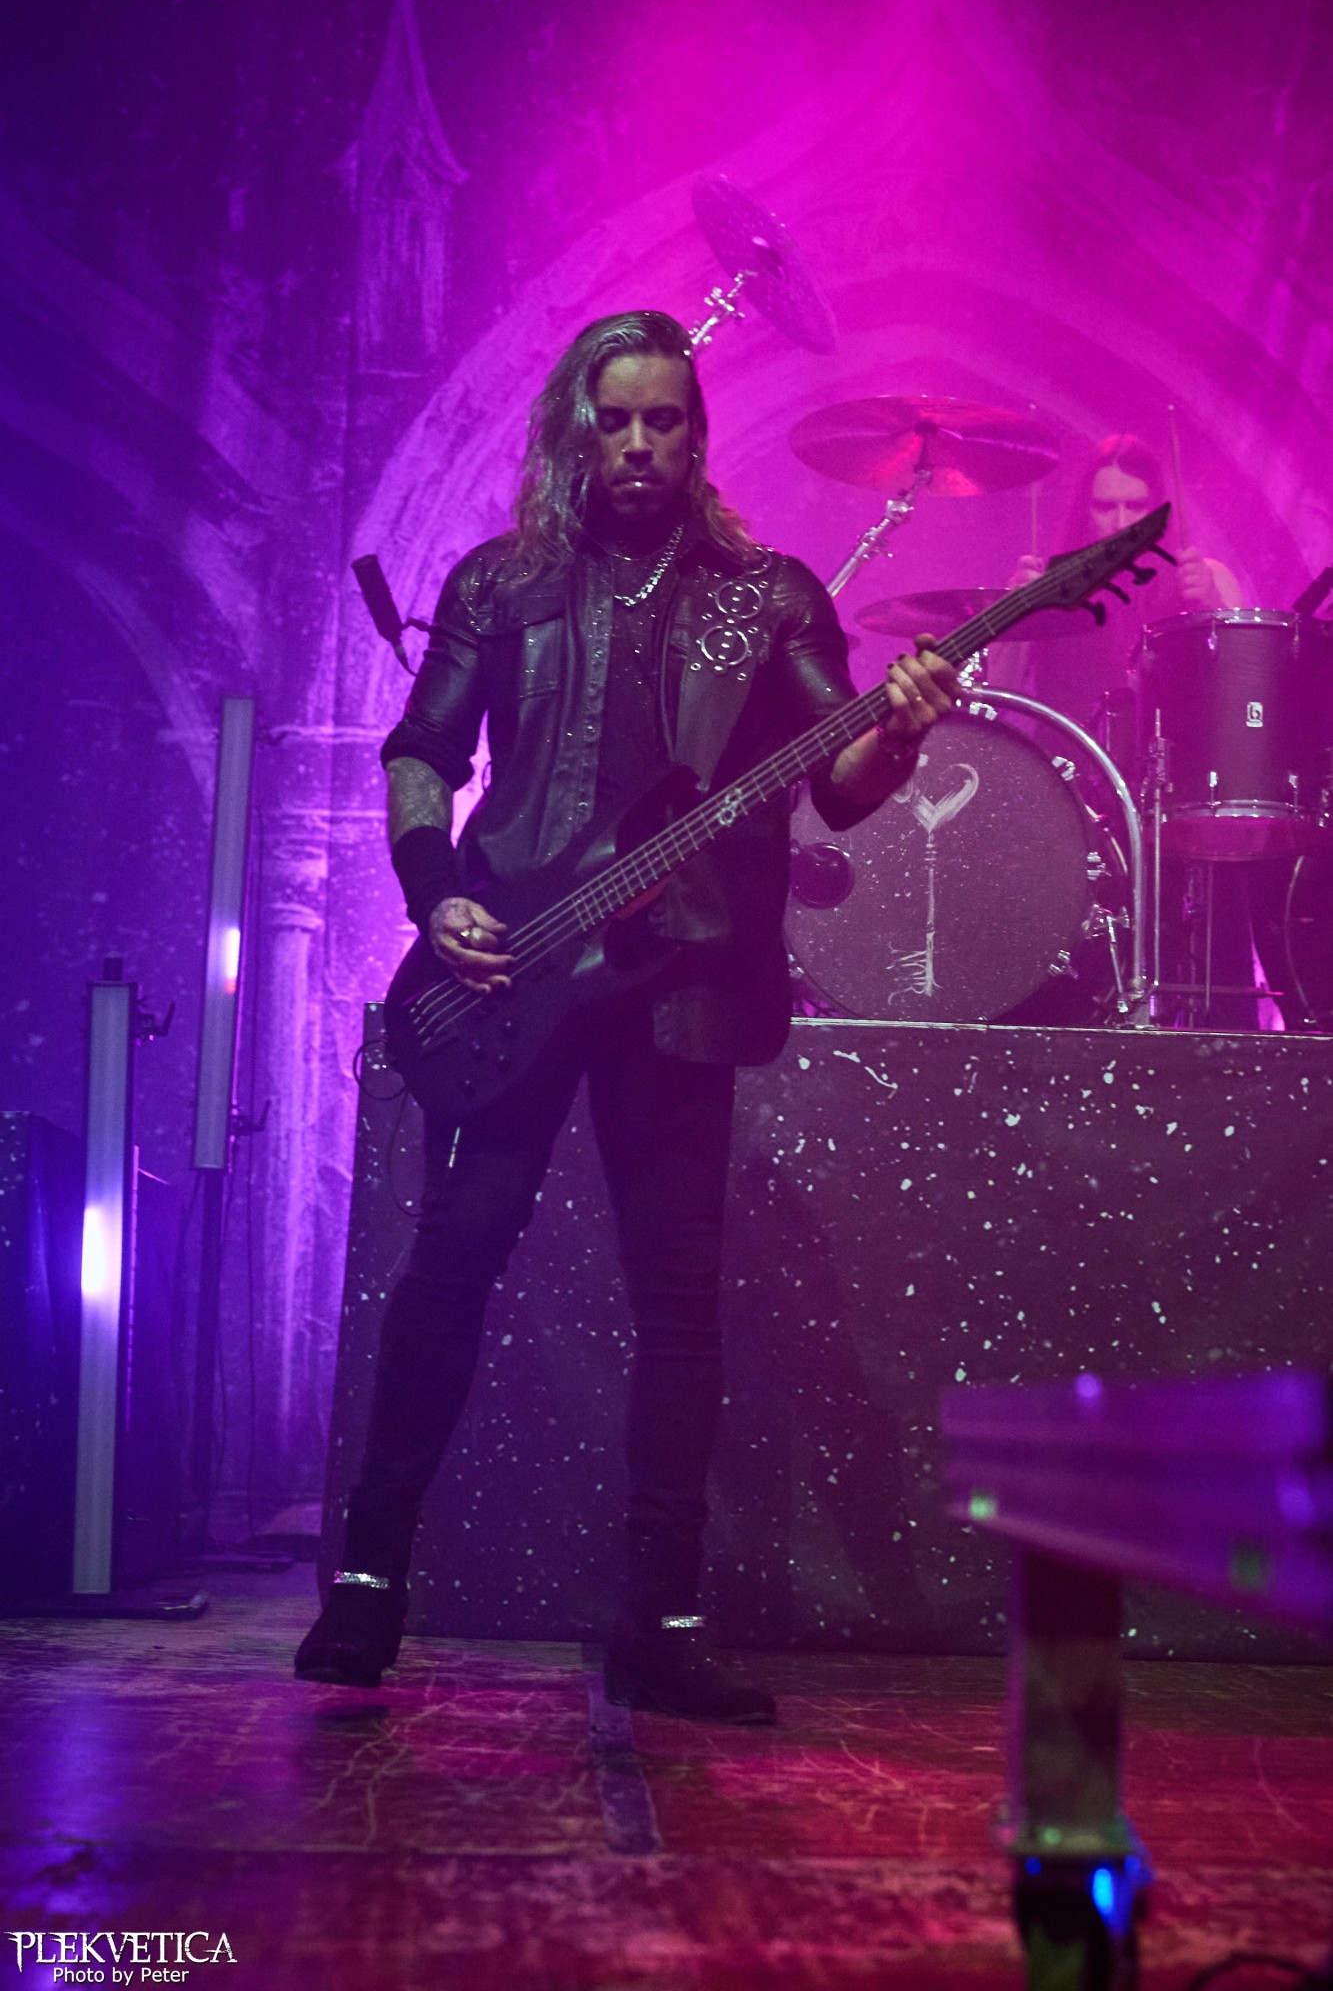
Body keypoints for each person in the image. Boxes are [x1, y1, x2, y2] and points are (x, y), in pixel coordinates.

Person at [295, 310, 961, 1722]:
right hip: (513, 969)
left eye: (666, 420)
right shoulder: (500, 584)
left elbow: (840, 784)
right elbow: (421, 752)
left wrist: (899, 731)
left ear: (697, 436)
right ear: (574, 432)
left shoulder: (768, 596)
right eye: (617, 420)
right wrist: (433, 892)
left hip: (686, 985)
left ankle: (659, 1624)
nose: (641, 444)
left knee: (678, 1308)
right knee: (450, 1265)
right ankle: (365, 1584)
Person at [992, 434, 1242, 733]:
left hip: (1174, 756)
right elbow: (996, 693)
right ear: (1084, 512)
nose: (1122, 524)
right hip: (1066, 757)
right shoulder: (1046, 585)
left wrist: (1211, 602)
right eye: (1106, 508)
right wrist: (1015, 612)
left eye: (1135, 506)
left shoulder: (1204, 578)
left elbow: (1247, 694)